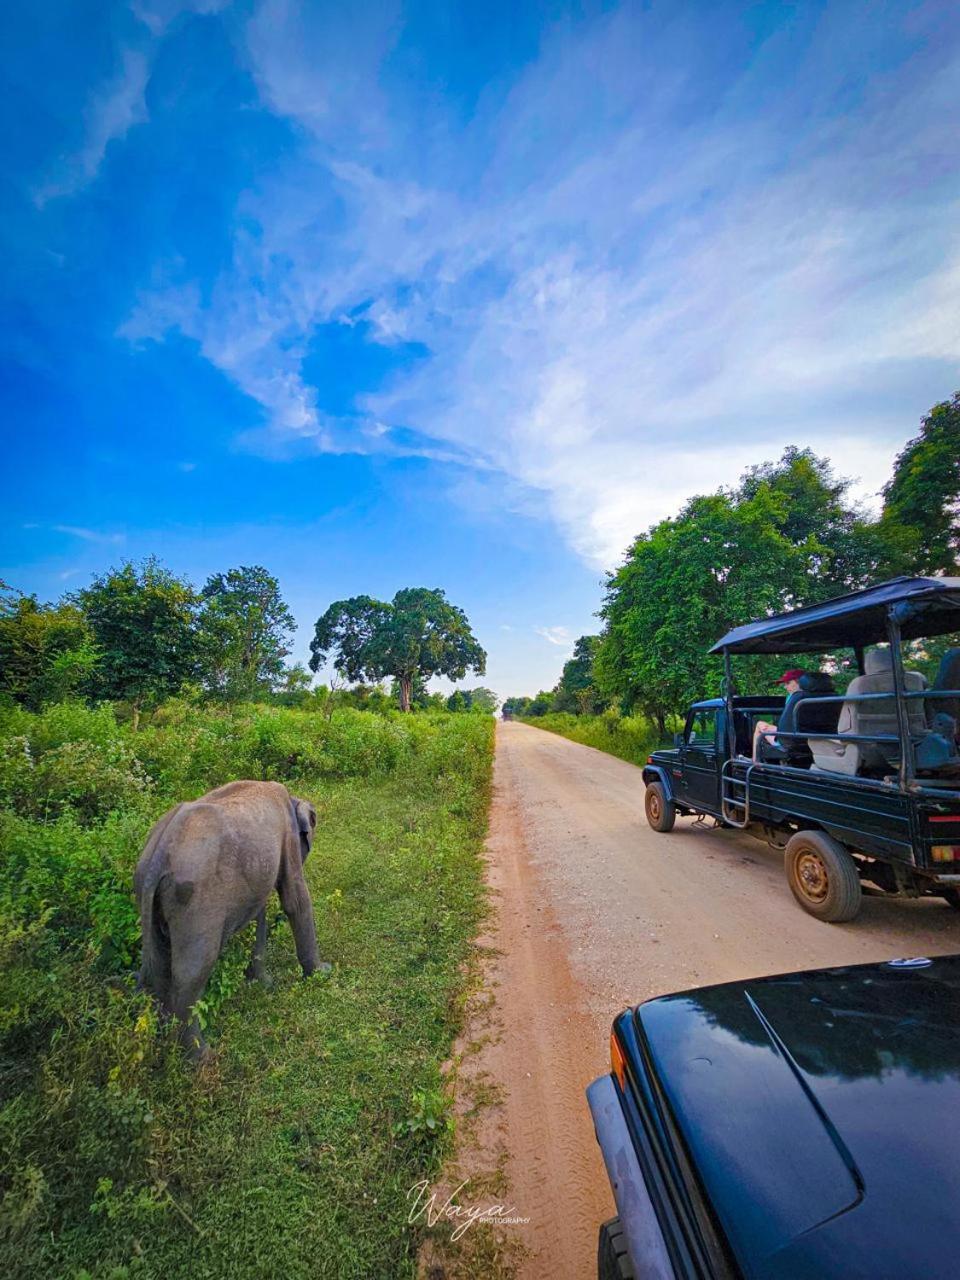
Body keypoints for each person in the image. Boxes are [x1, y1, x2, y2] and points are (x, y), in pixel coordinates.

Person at [752, 669, 805, 762]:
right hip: (810, 739)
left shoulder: (795, 698)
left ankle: (755, 761)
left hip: (791, 741)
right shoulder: (820, 697)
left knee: (759, 724)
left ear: (799, 682)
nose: (785, 686)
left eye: (788, 683)